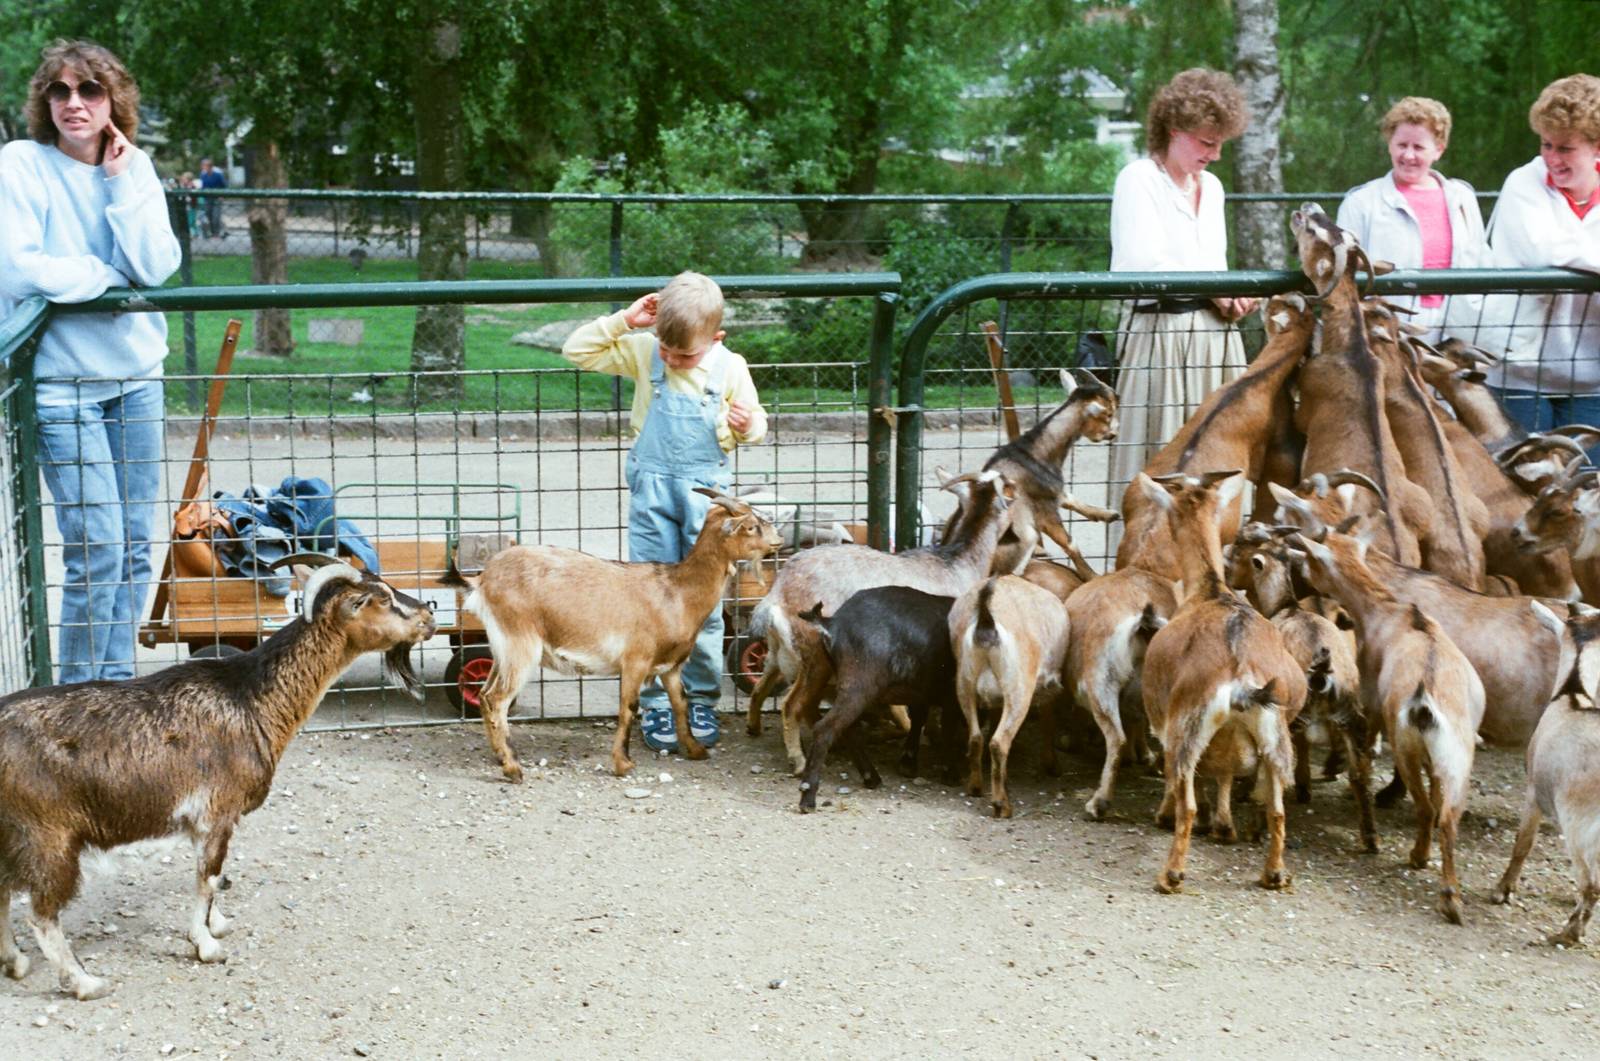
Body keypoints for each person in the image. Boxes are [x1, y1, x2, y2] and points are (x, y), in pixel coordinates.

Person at [0, 39, 182, 683]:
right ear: (44, 100)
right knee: (95, 550)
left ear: (114, 99)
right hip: (60, 385)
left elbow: (157, 267)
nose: (74, 103)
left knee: (134, 547)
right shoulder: (22, 164)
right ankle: (75, 703)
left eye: (90, 91)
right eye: (60, 91)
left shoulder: (133, 168)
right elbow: (19, 269)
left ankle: (115, 688)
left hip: (135, 379)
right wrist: (108, 277)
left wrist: (120, 183)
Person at [561, 272, 768, 751]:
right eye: (666, 349)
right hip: (652, 492)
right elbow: (577, 350)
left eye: (685, 355)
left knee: (704, 607)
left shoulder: (730, 367)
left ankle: (699, 699)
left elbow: (756, 422)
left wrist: (749, 424)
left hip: (708, 501)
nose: (672, 360)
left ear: (715, 339)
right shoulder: (643, 351)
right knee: (649, 600)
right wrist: (624, 321)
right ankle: (654, 704)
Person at [1106, 67, 1256, 495]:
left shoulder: (1213, 187)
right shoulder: (1138, 180)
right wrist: (1215, 289)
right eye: (1207, 142)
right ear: (1174, 131)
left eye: (1220, 143)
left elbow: (1215, 265)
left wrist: (1236, 297)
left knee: (1217, 457)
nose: (1215, 154)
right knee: (1158, 457)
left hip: (1217, 340)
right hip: (1161, 336)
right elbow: (1140, 267)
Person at [1336, 96, 1487, 337]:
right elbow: (1343, 272)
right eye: (1401, 145)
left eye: (1418, 147)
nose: (1408, 155)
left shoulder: (1463, 198)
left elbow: (1479, 259)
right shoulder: (1360, 202)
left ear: (1438, 149)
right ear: (1389, 144)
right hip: (1387, 331)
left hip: (1456, 329)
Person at [198, 156, 226, 238]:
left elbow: (224, 186)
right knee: (208, 215)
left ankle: (216, 234)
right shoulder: (203, 175)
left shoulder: (218, 175)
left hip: (217, 198)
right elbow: (203, 187)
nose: (203, 167)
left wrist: (222, 195)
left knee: (216, 216)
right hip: (207, 199)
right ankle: (212, 232)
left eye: (204, 165)